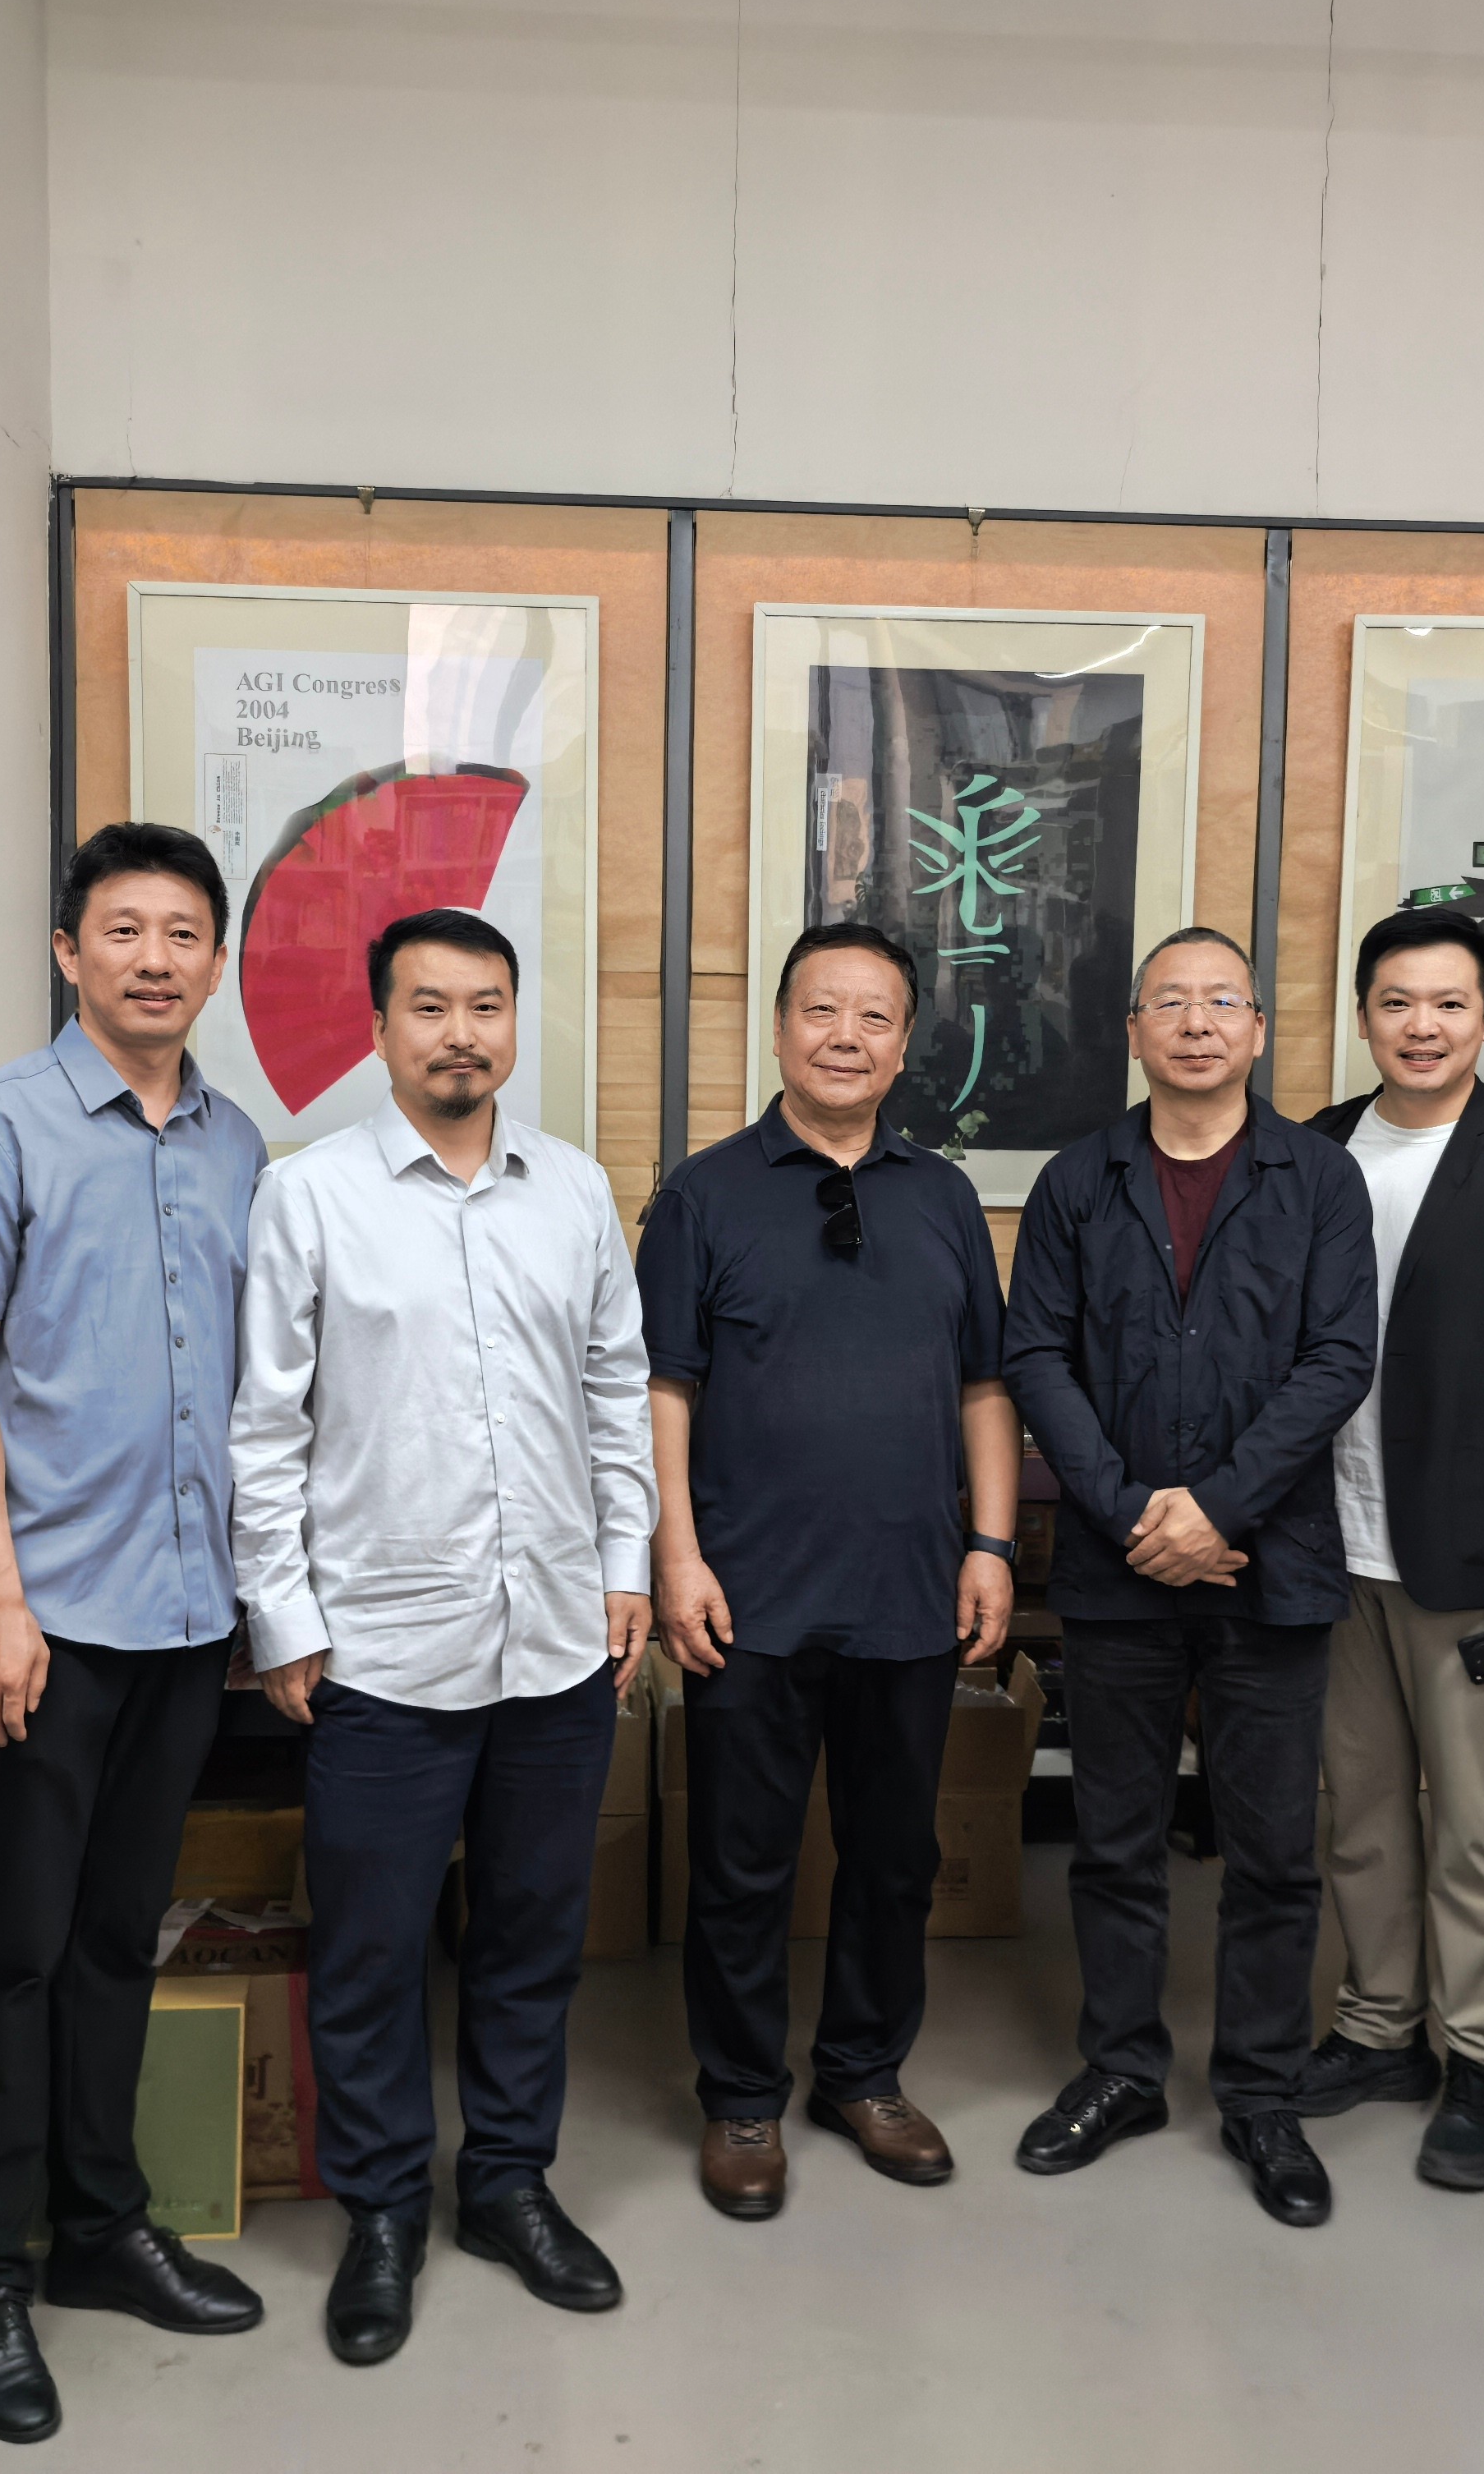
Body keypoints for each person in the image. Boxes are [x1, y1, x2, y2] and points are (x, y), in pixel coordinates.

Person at [232, 907, 655, 2366]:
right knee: (371, 1950)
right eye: (429, 1007)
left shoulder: (574, 1191)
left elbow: (616, 1392)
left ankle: (510, 2185)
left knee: (531, 1939)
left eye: (485, 1005)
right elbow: (264, 1426)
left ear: (513, 1023)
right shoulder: (308, 1196)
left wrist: (625, 1567)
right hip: (382, 1649)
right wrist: (284, 1616)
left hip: (556, 1640)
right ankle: (383, 2212)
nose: (460, 1033)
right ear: (378, 1030)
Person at [0, 822, 269, 2444]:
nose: (154, 959)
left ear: (216, 961)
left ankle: (101, 2228)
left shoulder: (236, 1144)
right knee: (15, 1951)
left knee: (124, 1936)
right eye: (122, 929)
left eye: (183, 933)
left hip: (187, 1614)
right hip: (42, 1616)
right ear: (68, 951)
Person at [638, 921, 1018, 2222]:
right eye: (821, 1011)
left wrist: (991, 1543)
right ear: (780, 1028)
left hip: (911, 1587)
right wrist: (677, 1555)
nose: (845, 1037)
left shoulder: (945, 1197)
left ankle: (864, 2072)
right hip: (746, 1594)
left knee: (895, 1855)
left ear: (904, 1046)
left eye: (874, 1018)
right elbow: (664, 1390)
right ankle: (742, 2095)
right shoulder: (704, 1194)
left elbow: (985, 1385)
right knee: (741, 1861)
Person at [1001, 927, 1377, 2228]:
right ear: (1135, 1032)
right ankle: (1122, 2069)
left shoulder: (1319, 1178)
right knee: (1114, 1842)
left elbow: (1338, 1359)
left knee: (1272, 1848)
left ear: (1259, 1029)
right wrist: (1132, 1514)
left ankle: (1262, 2093)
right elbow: (1036, 1355)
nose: (1199, 1022)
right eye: (1173, 1002)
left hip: (1270, 1563)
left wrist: (1216, 1508)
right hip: (1118, 1575)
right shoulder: (1077, 1181)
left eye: (1224, 1001)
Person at [1298, 908, 1484, 2193]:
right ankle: (1380, 2029)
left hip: (1473, 1568)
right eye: (1395, 1002)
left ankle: (1479, 2060)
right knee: (1361, 1813)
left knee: (1479, 1827)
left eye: (1446, 1004)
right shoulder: (1310, 1151)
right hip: (1328, 1550)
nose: (1419, 1027)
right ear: (1364, 1015)